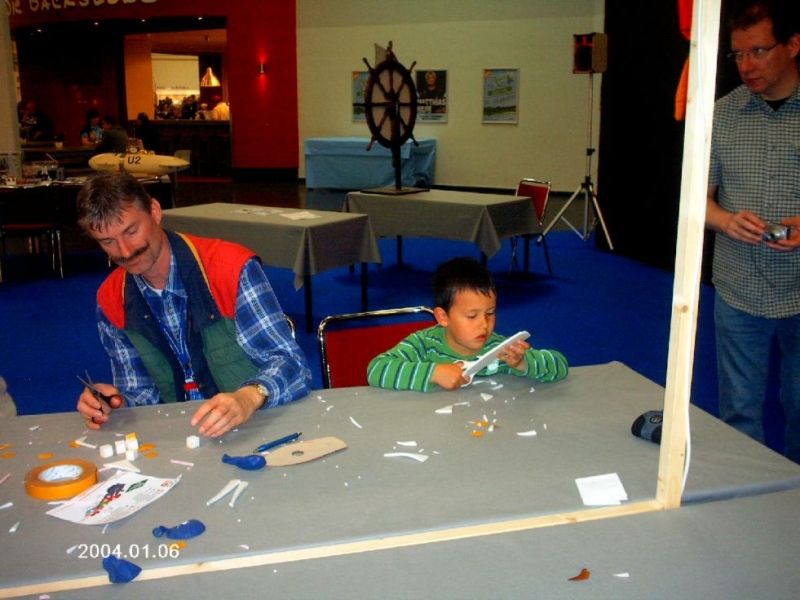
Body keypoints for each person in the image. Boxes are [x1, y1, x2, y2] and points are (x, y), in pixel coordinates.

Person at [75, 172, 312, 437]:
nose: (125, 251)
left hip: (258, 426)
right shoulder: (111, 299)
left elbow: (293, 366)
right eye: (107, 242)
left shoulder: (231, 269)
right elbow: (141, 393)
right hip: (182, 436)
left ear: (154, 212)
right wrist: (114, 404)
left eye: (131, 231)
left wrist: (249, 397)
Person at [705, 0, 800, 463]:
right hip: (739, 289)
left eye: (759, 51)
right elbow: (695, 199)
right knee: (739, 415)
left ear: (792, 45)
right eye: (738, 54)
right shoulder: (721, 115)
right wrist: (725, 220)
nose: (747, 65)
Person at [367, 257, 569, 391]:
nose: (484, 325)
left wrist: (523, 363)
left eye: (490, 313)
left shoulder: (499, 350)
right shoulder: (424, 345)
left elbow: (560, 366)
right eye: (472, 316)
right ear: (443, 317)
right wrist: (434, 373)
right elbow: (376, 370)